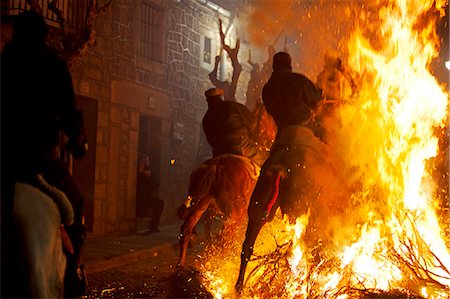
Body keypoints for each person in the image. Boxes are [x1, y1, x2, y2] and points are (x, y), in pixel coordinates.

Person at [1, 10, 88, 298]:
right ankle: (74, 271)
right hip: (39, 161)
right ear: (43, 35)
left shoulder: (3, 63)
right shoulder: (53, 65)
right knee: (75, 205)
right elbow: (68, 113)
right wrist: (77, 141)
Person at [202, 87, 265, 166]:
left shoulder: (206, 119)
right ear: (219, 97)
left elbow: (211, 141)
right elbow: (251, 124)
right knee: (265, 160)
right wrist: (258, 109)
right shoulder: (231, 106)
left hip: (219, 152)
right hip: (241, 146)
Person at [136, 154, 164, 234]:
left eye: (147, 161)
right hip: (139, 197)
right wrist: (141, 174)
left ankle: (153, 227)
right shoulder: (137, 170)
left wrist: (149, 177)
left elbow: (155, 185)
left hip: (146, 197)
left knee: (160, 203)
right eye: (144, 161)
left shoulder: (149, 172)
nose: (146, 163)